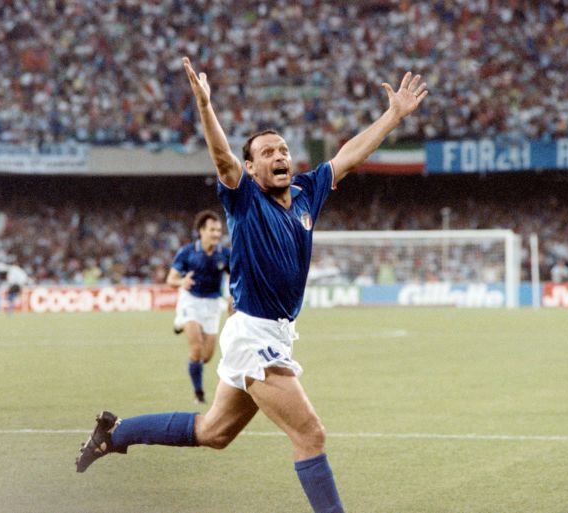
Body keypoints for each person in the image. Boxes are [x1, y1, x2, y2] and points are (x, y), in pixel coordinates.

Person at [76, 56, 428, 513]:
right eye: (267, 153)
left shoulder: (306, 193)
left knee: (214, 433)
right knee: (310, 434)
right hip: (253, 336)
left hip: (275, 333)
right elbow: (222, 157)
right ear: (251, 167)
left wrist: (393, 116)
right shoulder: (244, 200)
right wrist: (206, 107)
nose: (279, 156)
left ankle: (115, 432)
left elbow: (348, 156)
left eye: (282, 149)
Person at [166, 209, 231, 405]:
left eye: (219, 230)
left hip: (212, 305)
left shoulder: (224, 254)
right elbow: (171, 279)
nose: (216, 234)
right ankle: (199, 394)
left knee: (206, 356)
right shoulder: (187, 252)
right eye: (212, 229)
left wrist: (232, 296)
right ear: (201, 231)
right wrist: (181, 282)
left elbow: (235, 276)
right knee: (195, 350)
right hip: (190, 301)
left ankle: (180, 322)